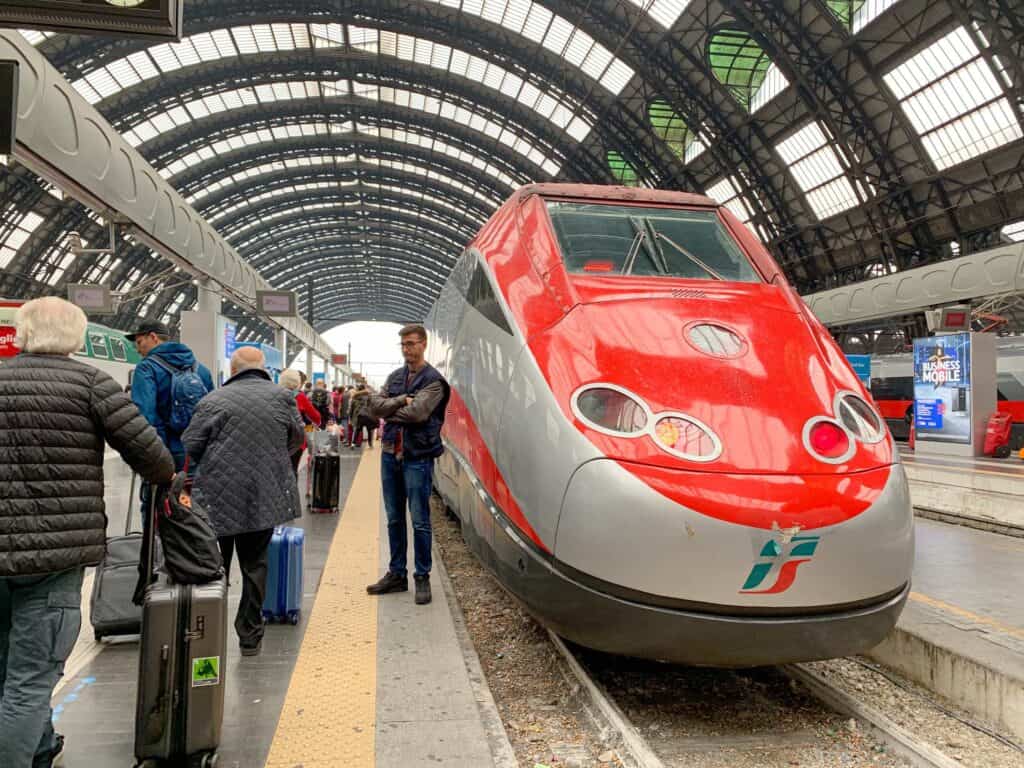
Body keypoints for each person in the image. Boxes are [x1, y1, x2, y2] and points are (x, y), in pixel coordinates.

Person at [0, 297, 174, 768]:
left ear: (22, 333)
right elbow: (155, 459)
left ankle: (39, 748)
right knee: (30, 680)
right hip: (55, 558)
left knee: (6, 674)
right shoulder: (91, 383)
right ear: (76, 338)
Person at [182, 347, 303, 656]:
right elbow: (296, 439)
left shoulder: (212, 400)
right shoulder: (282, 398)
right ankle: (250, 636)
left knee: (213, 566)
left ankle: (208, 633)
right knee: (255, 565)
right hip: (262, 494)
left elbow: (191, 443)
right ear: (264, 368)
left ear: (233, 369)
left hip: (215, 496)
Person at [366, 325, 450, 605]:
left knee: (420, 520)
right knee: (393, 518)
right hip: (390, 454)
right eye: (402, 344)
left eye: (411, 344)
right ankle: (397, 573)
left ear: (423, 344)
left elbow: (418, 414)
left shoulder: (434, 381)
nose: (406, 349)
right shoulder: (395, 377)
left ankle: (422, 576)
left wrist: (390, 410)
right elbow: (373, 407)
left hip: (417, 456)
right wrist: (401, 400)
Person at [126, 321, 213, 471]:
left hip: (169, 450)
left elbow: (145, 415)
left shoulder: (146, 367)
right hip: (200, 450)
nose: (138, 350)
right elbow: (213, 409)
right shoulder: (201, 369)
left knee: (164, 494)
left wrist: (155, 452)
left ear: (153, 337)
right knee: (194, 492)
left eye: (139, 342)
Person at [280, 368, 320, 475]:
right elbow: (316, 416)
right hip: (295, 440)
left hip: (278, 438)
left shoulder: (273, 394)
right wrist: (317, 422)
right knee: (293, 468)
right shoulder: (300, 396)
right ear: (298, 382)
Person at [349, 384, 372, 448]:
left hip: (359, 416)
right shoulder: (368, 397)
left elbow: (351, 409)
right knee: (369, 430)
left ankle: (353, 444)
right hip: (367, 416)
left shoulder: (355, 397)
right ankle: (370, 444)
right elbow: (372, 406)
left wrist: (350, 418)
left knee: (357, 430)